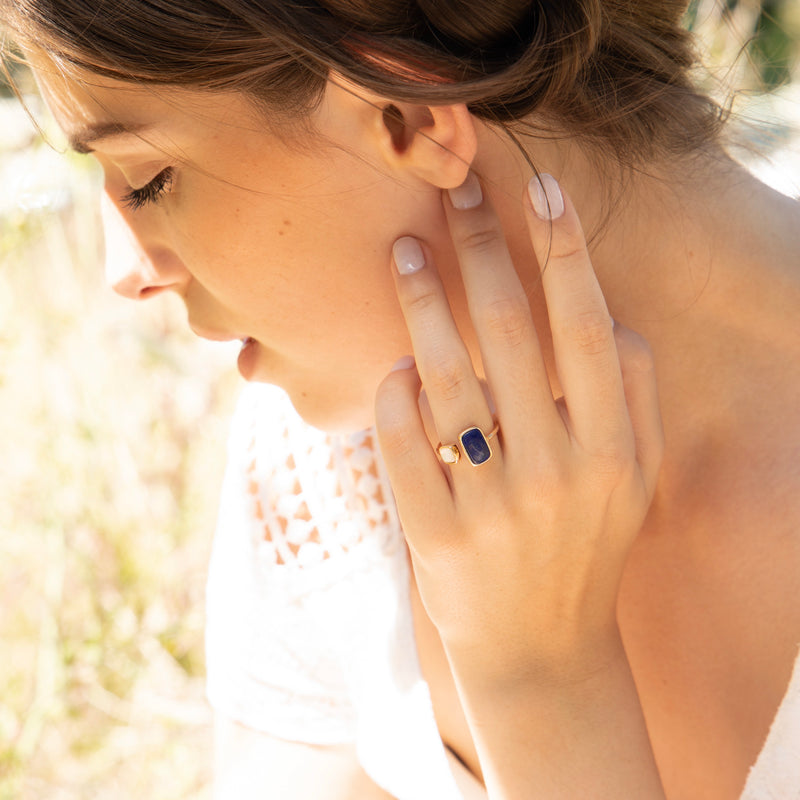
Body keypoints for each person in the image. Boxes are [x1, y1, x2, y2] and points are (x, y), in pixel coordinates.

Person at [2, 1, 799, 798]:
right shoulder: (326, 477)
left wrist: (539, 678)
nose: (124, 271)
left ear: (405, 114)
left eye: (148, 181)